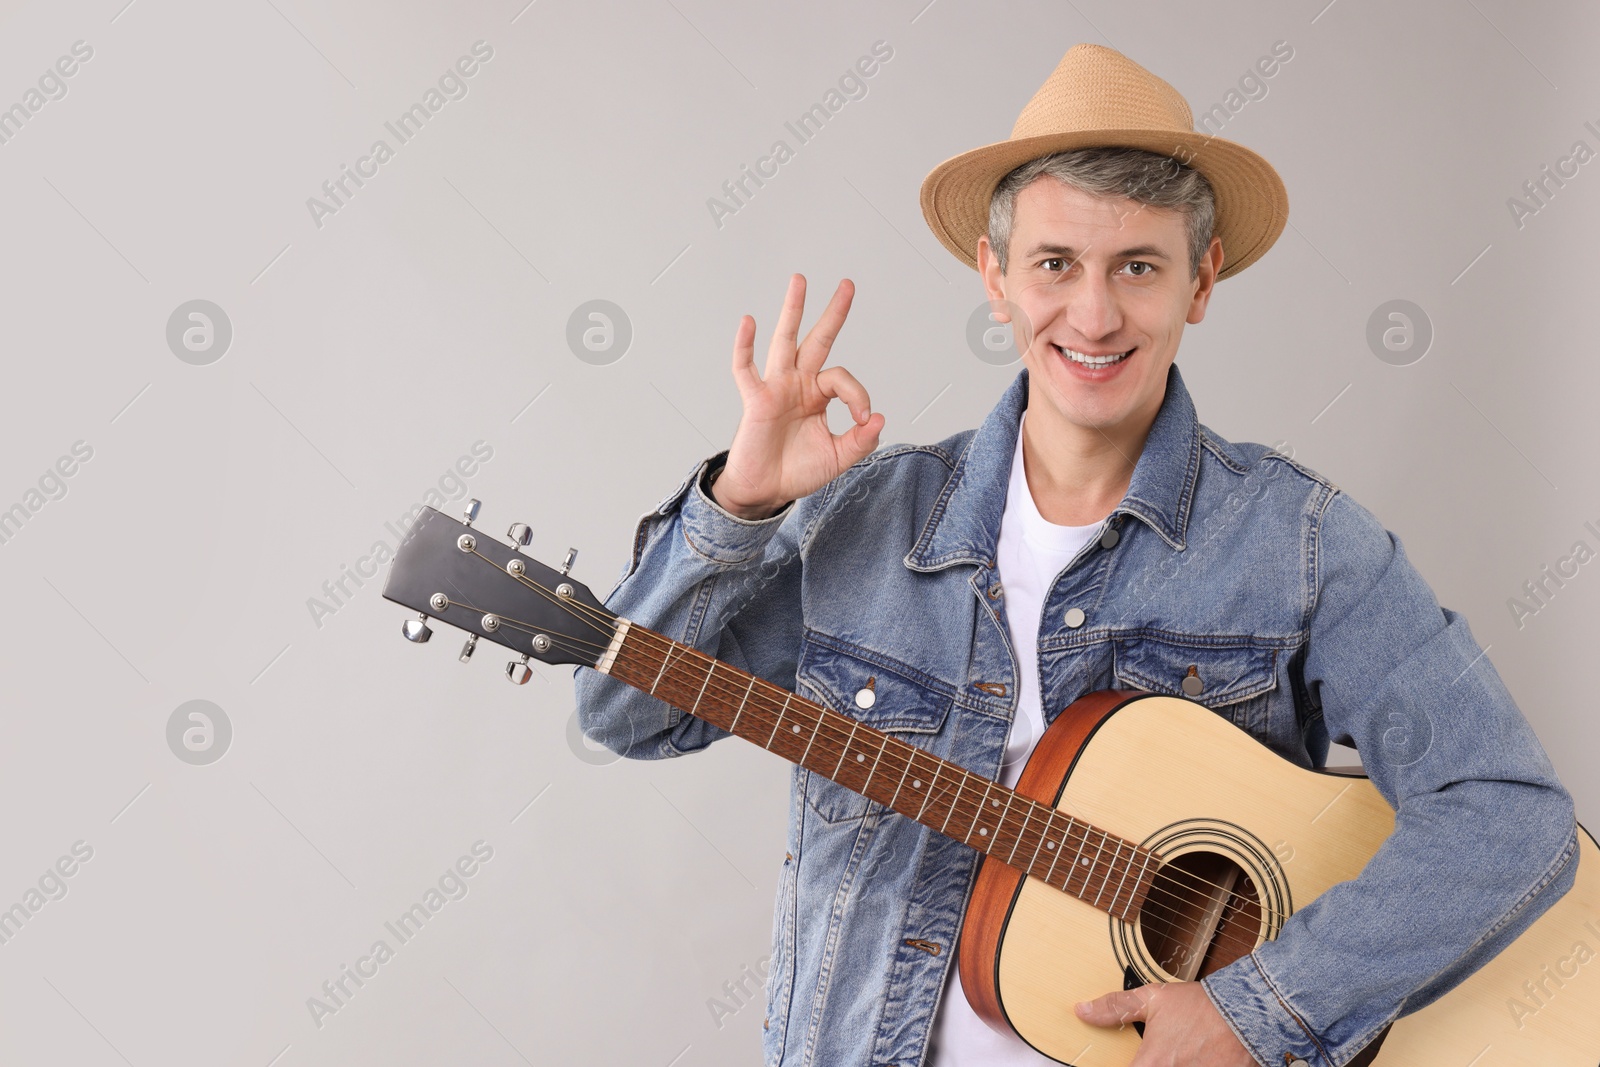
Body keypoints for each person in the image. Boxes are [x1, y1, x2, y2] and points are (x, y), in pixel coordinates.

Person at [573, 43, 1577, 1067]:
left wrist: (1261, 1005)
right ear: (995, 277)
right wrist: (739, 505)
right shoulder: (865, 517)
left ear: (1202, 278)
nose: (1093, 316)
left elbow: (1506, 813)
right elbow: (626, 711)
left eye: (1137, 266)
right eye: (1055, 264)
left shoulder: (1301, 542)